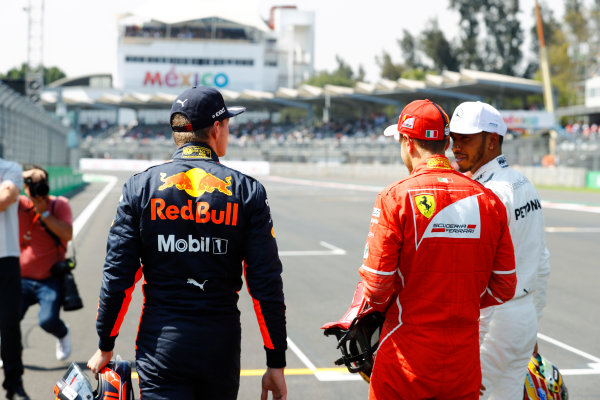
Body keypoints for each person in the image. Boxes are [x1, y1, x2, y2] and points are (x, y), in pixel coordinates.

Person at [87, 86, 287, 400]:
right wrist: (276, 362)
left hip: (161, 345)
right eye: (228, 125)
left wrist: (105, 345)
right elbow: (265, 284)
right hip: (219, 347)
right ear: (217, 128)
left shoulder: (139, 188)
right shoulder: (249, 191)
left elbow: (118, 277)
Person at [358, 99, 517, 400]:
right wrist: (458, 301)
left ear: (407, 142)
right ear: (446, 142)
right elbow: (505, 286)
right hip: (463, 367)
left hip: (405, 362)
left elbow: (377, 288)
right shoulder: (489, 200)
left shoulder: (394, 198)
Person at [449, 101, 551, 400]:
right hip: (523, 318)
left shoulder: (486, 194)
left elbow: (482, 277)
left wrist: (472, 344)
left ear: (492, 141)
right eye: (454, 138)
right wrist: (532, 324)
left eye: (466, 139)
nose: (456, 147)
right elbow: (542, 261)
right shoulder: (523, 183)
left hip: (495, 326)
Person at [17, 166, 73, 361]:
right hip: (21, 277)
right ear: (24, 186)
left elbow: (67, 234)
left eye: (42, 182)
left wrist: (45, 214)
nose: (38, 188)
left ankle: (63, 333)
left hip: (50, 278)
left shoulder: (59, 205)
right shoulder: (18, 204)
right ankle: (8, 351)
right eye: (33, 183)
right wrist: (21, 175)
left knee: (48, 320)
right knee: (7, 319)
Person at [0, 158, 30, 400]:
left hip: (5, 257)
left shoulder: (10, 168)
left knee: (9, 323)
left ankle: (14, 380)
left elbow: (5, 200)